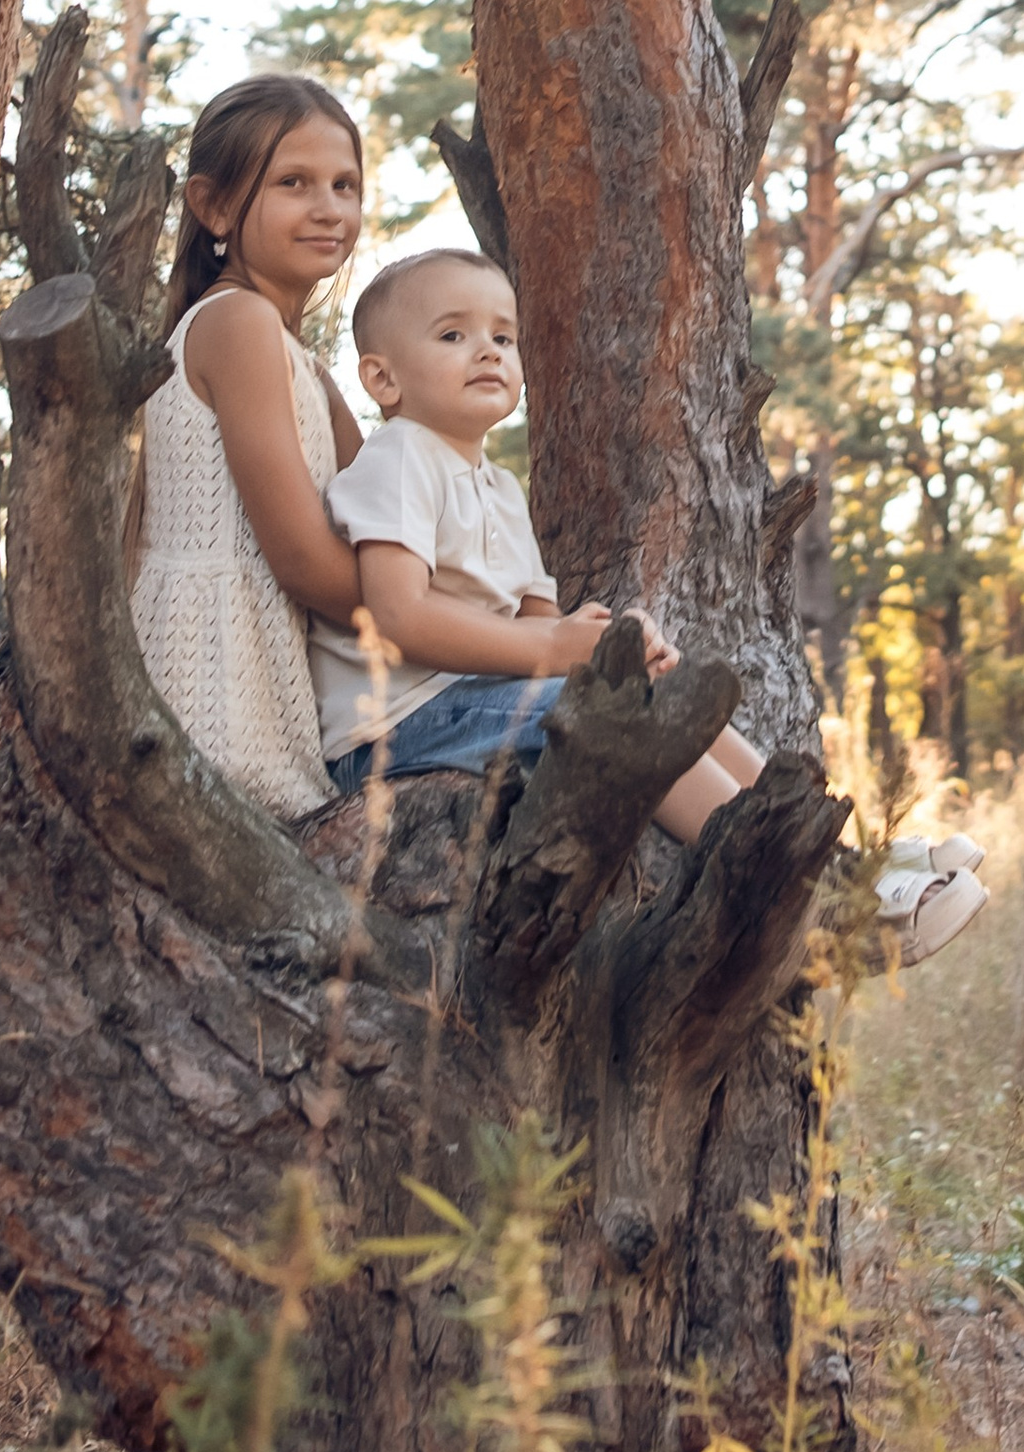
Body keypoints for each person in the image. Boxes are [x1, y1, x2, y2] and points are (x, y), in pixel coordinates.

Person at [312, 249, 988, 964]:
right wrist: (558, 655)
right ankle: (805, 909)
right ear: (382, 378)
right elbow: (397, 616)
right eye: (452, 336)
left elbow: (538, 628)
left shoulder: (498, 488)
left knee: (655, 688)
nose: (487, 351)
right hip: (393, 728)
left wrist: (611, 648)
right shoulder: (398, 458)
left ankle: (840, 862)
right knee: (627, 722)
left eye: (502, 337)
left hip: (472, 701)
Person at [129, 71, 369, 823]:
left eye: (345, 185)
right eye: (294, 182)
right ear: (215, 206)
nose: (329, 208)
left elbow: (383, 517)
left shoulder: (302, 362)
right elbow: (304, 561)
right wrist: (440, 615)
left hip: (270, 687)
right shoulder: (236, 324)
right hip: (213, 689)